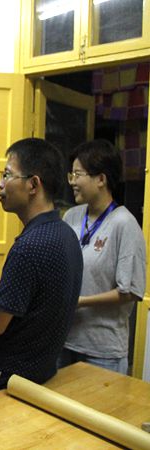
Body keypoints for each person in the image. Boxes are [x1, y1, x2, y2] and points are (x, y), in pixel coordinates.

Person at [0, 138, 83, 399]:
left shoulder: (28, 247)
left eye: (7, 175)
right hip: (40, 379)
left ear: (33, 184)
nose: (0, 184)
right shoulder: (66, 234)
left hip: (3, 386)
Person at [58, 139, 146, 374]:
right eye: (71, 175)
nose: (72, 181)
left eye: (78, 174)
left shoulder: (124, 224)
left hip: (102, 350)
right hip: (64, 341)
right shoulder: (71, 217)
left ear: (101, 179)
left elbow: (130, 291)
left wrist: (81, 301)